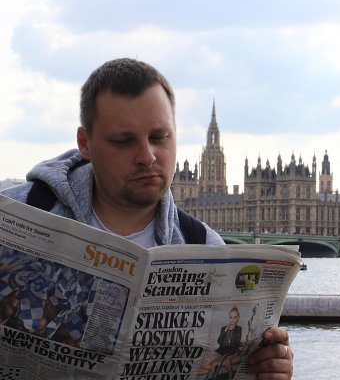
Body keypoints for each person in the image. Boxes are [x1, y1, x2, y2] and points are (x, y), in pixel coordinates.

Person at [0, 58, 293, 378]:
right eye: (123, 141)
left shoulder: (205, 245)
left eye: (159, 137)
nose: (147, 156)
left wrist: (264, 369)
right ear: (85, 143)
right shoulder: (17, 212)